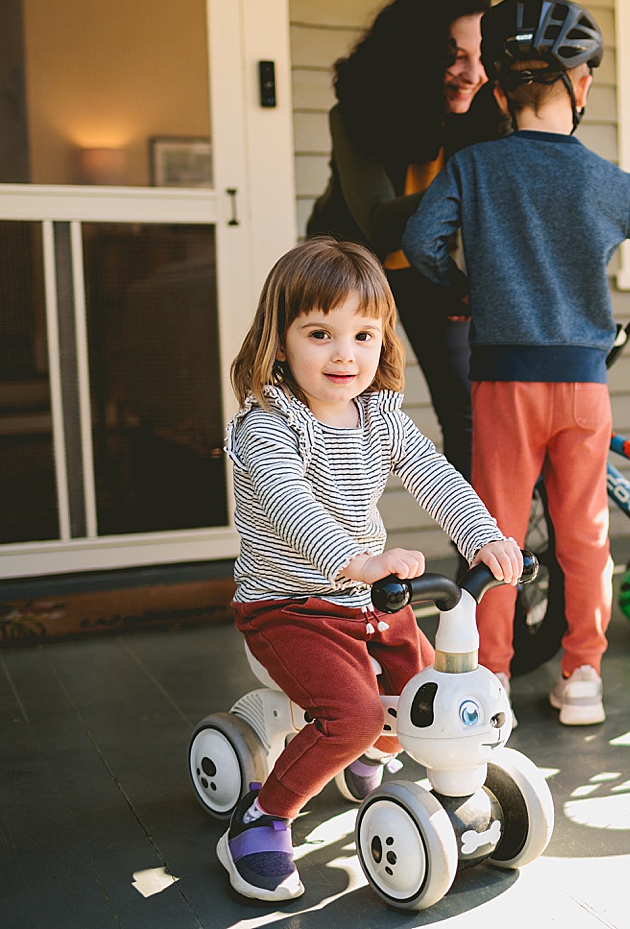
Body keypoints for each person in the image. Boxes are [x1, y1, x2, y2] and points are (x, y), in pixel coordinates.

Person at [403, 0, 630, 725]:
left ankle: (488, 687)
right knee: (583, 536)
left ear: (498, 87)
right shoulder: (608, 182)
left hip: (502, 385)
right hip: (584, 387)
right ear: (581, 86)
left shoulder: (476, 167)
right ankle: (582, 677)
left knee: (496, 533)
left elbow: (423, 241)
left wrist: (460, 291)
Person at [218, 236, 522, 902]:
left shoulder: (380, 415)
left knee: (424, 694)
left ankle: (370, 755)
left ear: (385, 341)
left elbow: (432, 474)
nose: (344, 354)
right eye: (320, 333)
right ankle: (262, 818)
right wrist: (355, 561)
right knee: (354, 713)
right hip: (288, 607)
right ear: (281, 339)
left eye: (363, 334)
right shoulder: (268, 425)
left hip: (369, 601)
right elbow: (291, 504)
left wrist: (482, 536)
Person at [305, 0, 504, 480]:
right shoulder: (356, 113)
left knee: (469, 415)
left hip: (425, 267)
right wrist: (471, 179)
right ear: (416, 55)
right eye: (455, 56)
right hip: (350, 271)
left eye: (482, 57)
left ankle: (477, 553)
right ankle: (332, 549)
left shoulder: (484, 115)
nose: (473, 73)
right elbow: (379, 222)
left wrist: (468, 284)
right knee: (337, 413)